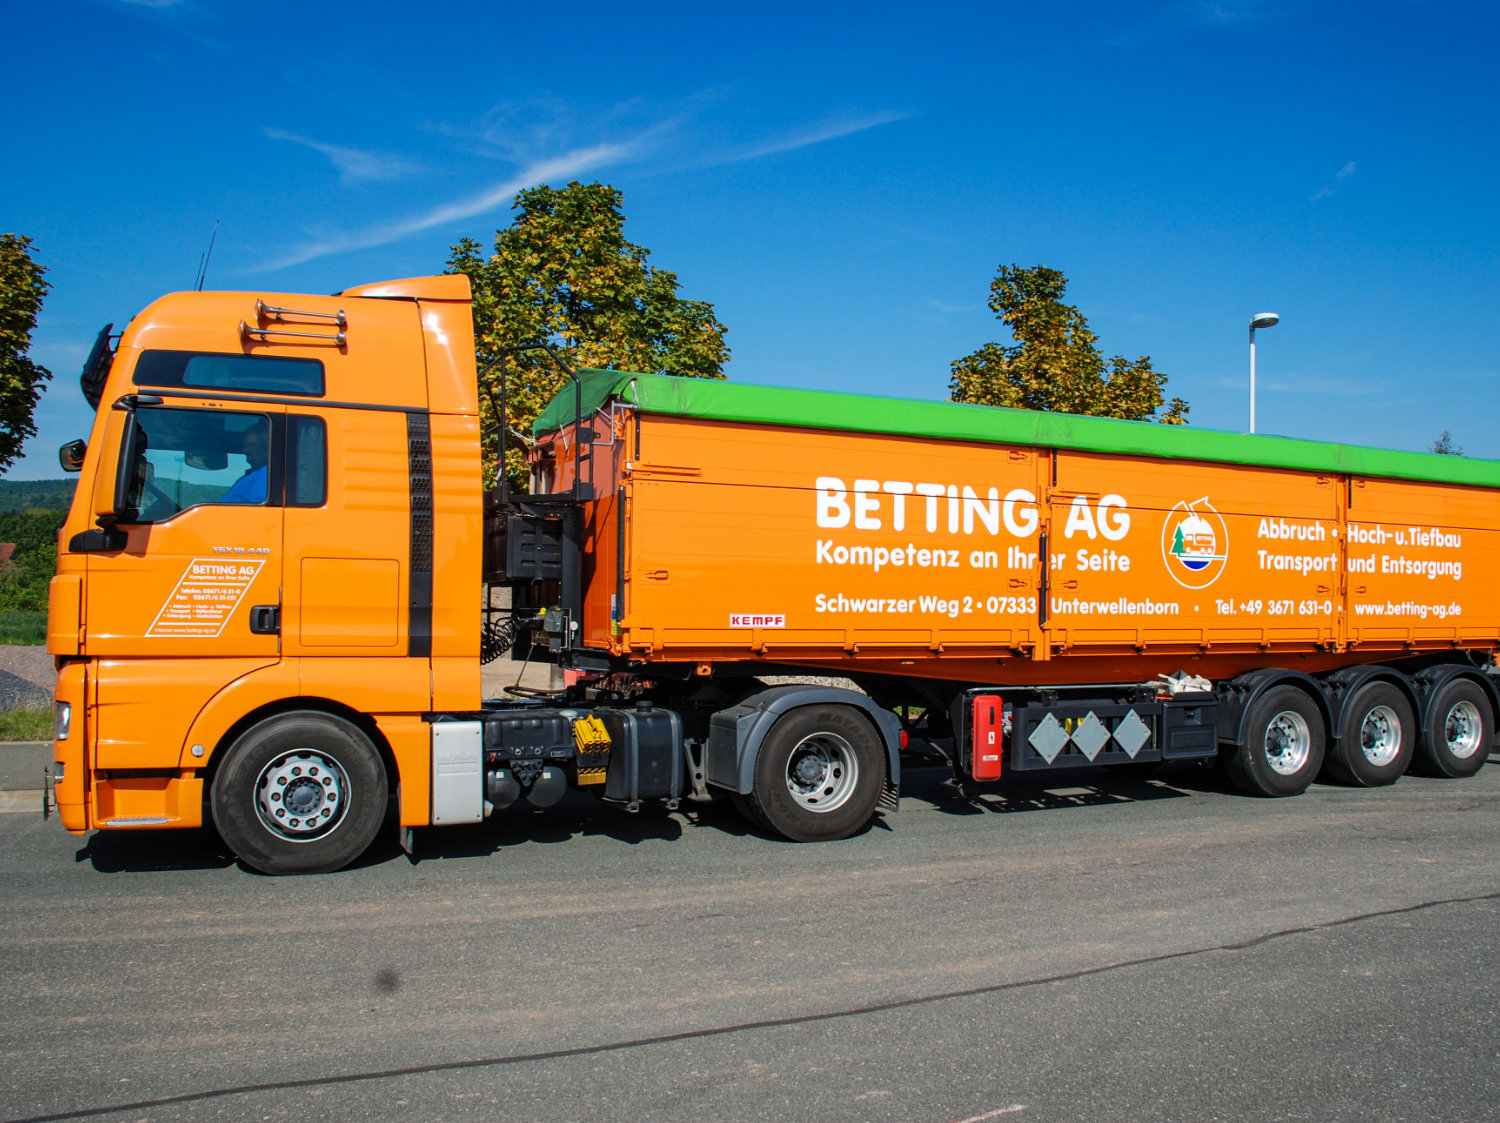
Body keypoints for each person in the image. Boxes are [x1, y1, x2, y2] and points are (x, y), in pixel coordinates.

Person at [222, 426, 268, 504]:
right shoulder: (254, 474)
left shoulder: (266, 474)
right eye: (245, 446)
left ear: (266, 447)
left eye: (251, 446)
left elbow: (258, 508)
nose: (245, 451)